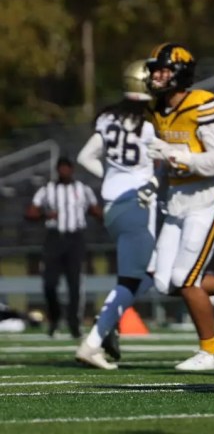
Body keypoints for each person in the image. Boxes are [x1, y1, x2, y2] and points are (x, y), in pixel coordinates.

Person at [145, 43, 214, 371]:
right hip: (176, 200)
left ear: (180, 73)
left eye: (163, 69)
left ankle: (210, 351)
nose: (156, 76)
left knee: (186, 279)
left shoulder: (201, 104)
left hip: (207, 199)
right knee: (163, 282)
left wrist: (183, 157)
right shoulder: (156, 108)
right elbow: (163, 152)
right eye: (154, 69)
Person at [74, 60, 160, 370]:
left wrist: (111, 174)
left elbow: (85, 157)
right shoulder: (148, 127)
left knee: (146, 275)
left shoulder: (107, 118)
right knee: (152, 277)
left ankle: (107, 320)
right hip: (137, 206)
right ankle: (98, 333)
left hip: (112, 206)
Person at [24, 156, 102, 339]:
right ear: (57, 170)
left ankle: (74, 324)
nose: (64, 172)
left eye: (67, 168)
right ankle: (55, 318)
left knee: (75, 284)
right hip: (54, 239)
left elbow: (95, 210)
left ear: (72, 169)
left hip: (75, 238)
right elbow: (31, 212)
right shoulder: (47, 190)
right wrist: (45, 214)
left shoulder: (83, 189)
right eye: (61, 168)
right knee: (49, 284)